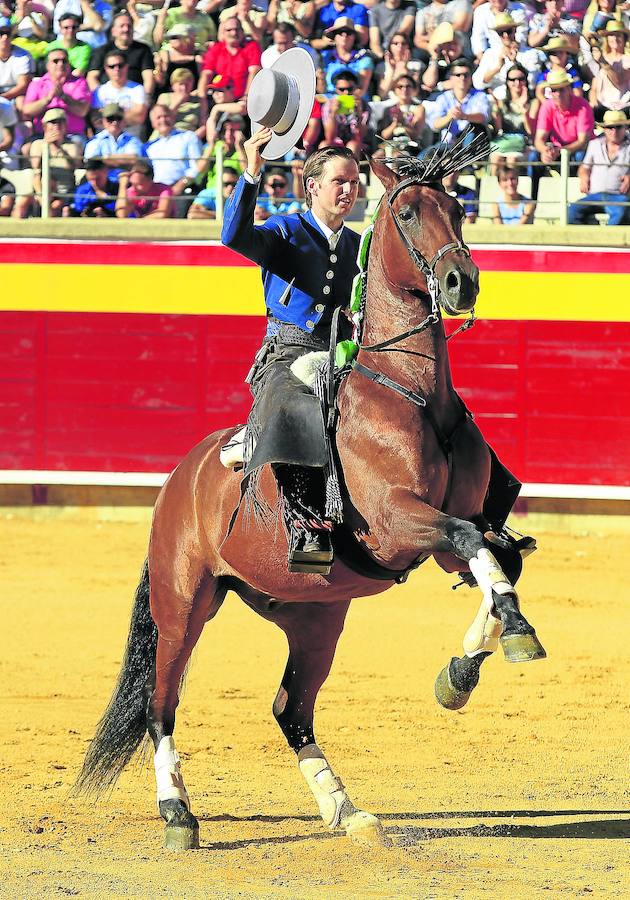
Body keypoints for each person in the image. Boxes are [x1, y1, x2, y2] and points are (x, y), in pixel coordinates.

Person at [221, 134, 361, 573]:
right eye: (339, 181)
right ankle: (304, 524)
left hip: (342, 353)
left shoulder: (361, 246)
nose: (348, 190)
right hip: (287, 350)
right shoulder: (285, 231)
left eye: (355, 183)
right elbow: (233, 235)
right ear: (313, 186)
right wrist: (252, 169)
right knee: (292, 405)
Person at [13, 107, 80, 218]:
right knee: (21, 205)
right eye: (53, 122)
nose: (56, 126)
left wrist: (59, 147)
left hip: (62, 190)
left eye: (60, 122)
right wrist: (47, 145)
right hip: (39, 188)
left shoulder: (72, 145)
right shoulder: (38, 144)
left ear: (65, 126)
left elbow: (74, 166)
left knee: (55, 208)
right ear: (44, 126)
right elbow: (36, 166)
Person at [568, 109, 630, 224]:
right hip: (594, 195)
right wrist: (584, 176)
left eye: (618, 127)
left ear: (625, 128)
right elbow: (584, 167)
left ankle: (610, 240)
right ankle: (585, 240)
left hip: (619, 196)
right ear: (604, 129)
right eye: (610, 127)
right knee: (572, 210)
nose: (614, 131)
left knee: (622, 210)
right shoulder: (594, 144)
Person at [143, 102, 203, 215]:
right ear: (152, 123)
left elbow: (197, 167)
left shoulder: (188, 137)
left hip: (184, 190)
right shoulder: (149, 147)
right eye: (158, 117)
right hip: (158, 194)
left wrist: (180, 185)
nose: (163, 120)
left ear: (173, 117)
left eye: (166, 116)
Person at [22, 47, 91, 144]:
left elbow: (82, 111)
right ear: (47, 65)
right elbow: (27, 110)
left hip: (72, 135)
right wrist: (48, 99)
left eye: (64, 61)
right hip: (42, 135)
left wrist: (63, 96)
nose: (60, 64)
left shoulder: (80, 82)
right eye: (56, 61)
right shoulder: (37, 84)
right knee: (27, 149)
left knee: (75, 150)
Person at [533, 69, 594, 165]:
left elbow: (582, 141)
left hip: (578, 149)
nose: (557, 94)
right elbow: (538, 140)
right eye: (554, 90)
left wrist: (560, 151)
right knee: (534, 156)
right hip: (557, 149)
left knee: (580, 156)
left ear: (569, 89)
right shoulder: (547, 106)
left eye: (561, 89)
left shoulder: (583, 106)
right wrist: (545, 151)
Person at [87, 10, 154, 96]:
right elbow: (92, 77)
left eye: (129, 26)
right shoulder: (101, 51)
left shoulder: (143, 49)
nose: (126, 29)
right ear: (113, 31)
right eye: (122, 26)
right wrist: (100, 99)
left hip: (135, 97)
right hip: (107, 98)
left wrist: (145, 99)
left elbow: (148, 77)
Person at [427, 57, 492, 140]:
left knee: (473, 128)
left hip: (472, 143)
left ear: (471, 77)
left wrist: (464, 116)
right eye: (458, 75)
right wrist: (449, 117)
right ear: (451, 78)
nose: (462, 78)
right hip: (448, 145)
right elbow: (435, 124)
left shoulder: (480, 95)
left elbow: (483, 117)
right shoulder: (443, 98)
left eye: (466, 75)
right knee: (427, 152)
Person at [198, 17, 261, 100]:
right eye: (229, 30)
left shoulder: (252, 47)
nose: (234, 33)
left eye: (237, 29)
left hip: (243, 100)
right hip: (220, 98)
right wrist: (203, 101)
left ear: (242, 31)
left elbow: (254, 72)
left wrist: (247, 97)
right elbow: (206, 74)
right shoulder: (216, 49)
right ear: (223, 33)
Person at [91, 50, 148, 139]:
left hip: (131, 138)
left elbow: (140, 116)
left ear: (127, 66)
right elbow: (95, 119)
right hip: (104, 139)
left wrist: (108, 116)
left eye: (120, 65)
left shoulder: (138, 89)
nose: (116, 69)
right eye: (112, 66)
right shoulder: (99, 91)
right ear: (106, 69)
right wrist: (126, 115)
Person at [83, 100, 143, 179]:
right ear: (103, 121)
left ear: (124, 121)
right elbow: (91, 163)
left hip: (126, 182)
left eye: (118, 118)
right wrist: (124, 163)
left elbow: (134, 160)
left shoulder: (133, 140)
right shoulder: (95, 140)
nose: (115, 122)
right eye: (110, 118)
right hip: (102, 183)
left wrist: (105, 159)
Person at [320, 16, 374, 97]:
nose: (344, 35)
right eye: (340, 32)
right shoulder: (325, 57)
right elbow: (321, 91)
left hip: (355, 103)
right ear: (334, 37)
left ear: (354, 37)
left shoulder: (364, 59)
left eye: (348, 32)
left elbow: (360, 91)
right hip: (328, 102)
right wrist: (321, 79)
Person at [321, 69, 370, 156]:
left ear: (356, 88)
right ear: (336, 89)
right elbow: (329, 137)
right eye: (342, 89)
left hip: (357, 144)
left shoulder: (364, 105)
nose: (346, 93)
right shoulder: (329, 105)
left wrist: (358, 114)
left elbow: (360, 136)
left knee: (353, 145)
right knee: (324, 146)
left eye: (350, 89)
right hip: (336, 142)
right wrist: (333, 114)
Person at [154, 67, 207, 140]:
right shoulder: (164, 97)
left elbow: (204, 126)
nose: (184, 88)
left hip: (187, 138)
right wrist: (178, 102)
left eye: (187, 84)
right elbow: (161, 120)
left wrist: (190, 139)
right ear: (173, 85)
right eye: (181, 84)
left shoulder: (199, 101)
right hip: (163, 136)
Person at [377, 73, 426, 150]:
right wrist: (395, 123)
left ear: (414, 89)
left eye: (408, 86)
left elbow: (416, 135)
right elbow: (384, 136)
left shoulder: (419, 109)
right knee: (375, 158)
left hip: (411, 147)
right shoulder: (389, 109)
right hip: (392, 145)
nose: (404, 89)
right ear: (395, 90)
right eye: (400, 86)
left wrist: (403, 122)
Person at [0, 22, 32, 107]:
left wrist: (3, 98)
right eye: (1, 33)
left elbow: (23, 86)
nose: (5, 37)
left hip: (15, 94)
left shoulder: (24, 55)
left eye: (8, 33)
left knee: (21, 103)